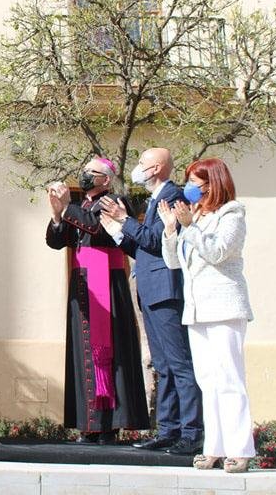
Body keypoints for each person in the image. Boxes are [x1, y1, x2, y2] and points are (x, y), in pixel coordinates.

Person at [98, 148, 203, 455]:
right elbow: (146, 248)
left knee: (179, 364)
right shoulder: (157, 198)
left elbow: (158, 241)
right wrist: (118, 231)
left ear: (156, 167)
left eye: (142, 163)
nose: (137, 168)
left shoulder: (172, 195)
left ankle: (192, 431)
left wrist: (125, 219)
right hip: (152, 290)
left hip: (167, 291)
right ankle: (168, 430)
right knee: (164, 365)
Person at [157, 157, 255, 473]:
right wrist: (172, 231)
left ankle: (240, 449)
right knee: (208, 381)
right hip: (197, 310)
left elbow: (216, 251)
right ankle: (214, 447)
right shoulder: (195, 217)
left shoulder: (232, 214)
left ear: (212, 184)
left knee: (229, 378)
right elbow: (174, 262)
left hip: (225, 306)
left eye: (195, 184)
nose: (190, 190)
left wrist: (189, 226)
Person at [46, 158, 150, 444]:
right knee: (83, 352)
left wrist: (68, 207)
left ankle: (109, 425)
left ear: (105, 179)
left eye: (92, 173)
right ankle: (88, 424)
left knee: (108, 352)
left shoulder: (114, 201)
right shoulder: (81, 206)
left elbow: (98, 229)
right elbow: (57, 241)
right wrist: (57, 216)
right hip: (82, 282)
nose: (85, 176)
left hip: (105, 279)